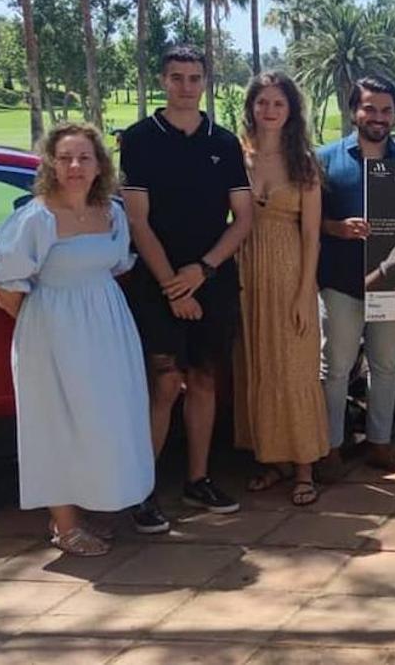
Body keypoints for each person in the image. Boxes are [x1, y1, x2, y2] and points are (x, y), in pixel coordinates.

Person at [0, 123, 153, 556]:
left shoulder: (112, 213)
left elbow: (116, 265)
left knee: (105, 420)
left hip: (108, 327)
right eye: (65, 158)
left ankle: (99, 505)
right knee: (56, 423)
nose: (75, 166)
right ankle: (65, 524)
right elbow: (3, 283)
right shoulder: (36, 219)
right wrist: (42, 327)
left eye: (84, 157)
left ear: (99, 165)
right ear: (51, 165)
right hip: (51, 333)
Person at [120, 45, 253, 533]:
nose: (185, 86)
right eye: (176, 77)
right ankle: (142, 491)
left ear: (205, 82)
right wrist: (175, 287)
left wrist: (203, 270)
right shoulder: (137, 140)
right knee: (164, 386)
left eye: (194, 78)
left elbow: (243, 219)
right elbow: (138, 221)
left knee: (203, 382)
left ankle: (198, 480)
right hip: (158, 284)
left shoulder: (223, 141)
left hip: (212, 279)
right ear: (162, 80)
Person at [316, 76, 395, 471]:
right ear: (354, 111)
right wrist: (336, 228)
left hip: (394, 285)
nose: (379, 117)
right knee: (336, 367)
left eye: (386, 110)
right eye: (370, 108)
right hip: (341, 281)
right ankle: (331, 446)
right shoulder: (324, 160)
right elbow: (308, 221)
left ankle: (379, 442)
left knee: (386, 366)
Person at [232, 71, 327, 506]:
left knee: (294, 366)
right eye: (262, 102)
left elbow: (312, 234)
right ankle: (271, 459)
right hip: (246, 269)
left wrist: (305, 293)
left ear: (291, 112)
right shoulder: (237, 158)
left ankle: (304, 465)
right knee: (258, 363)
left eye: (278, 103)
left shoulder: (304, 163)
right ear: (251, 106)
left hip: (291, 269)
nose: (269, 110)